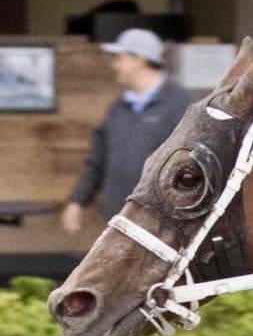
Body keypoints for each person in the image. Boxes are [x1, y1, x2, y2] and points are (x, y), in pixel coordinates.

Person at [62, 28, 191, 232]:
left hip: (162, 229)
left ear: (138, 59)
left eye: (119, 58)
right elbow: (98, 160)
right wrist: (77, 201)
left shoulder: (181, 105)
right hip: (117, 222)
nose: (115, 65)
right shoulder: (118, 109)